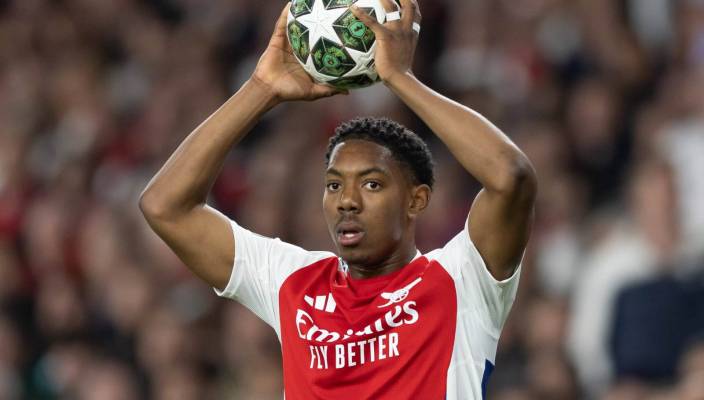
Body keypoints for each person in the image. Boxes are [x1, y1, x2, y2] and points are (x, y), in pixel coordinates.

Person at [139, 0, 537, 398]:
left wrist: (401, 80)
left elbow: (511, 176)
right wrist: (260, 89)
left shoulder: (462, 280)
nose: (347, 201)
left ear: (416, 200)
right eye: (333, 185)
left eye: (371, 184)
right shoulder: (294, 282)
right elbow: (165, 206)